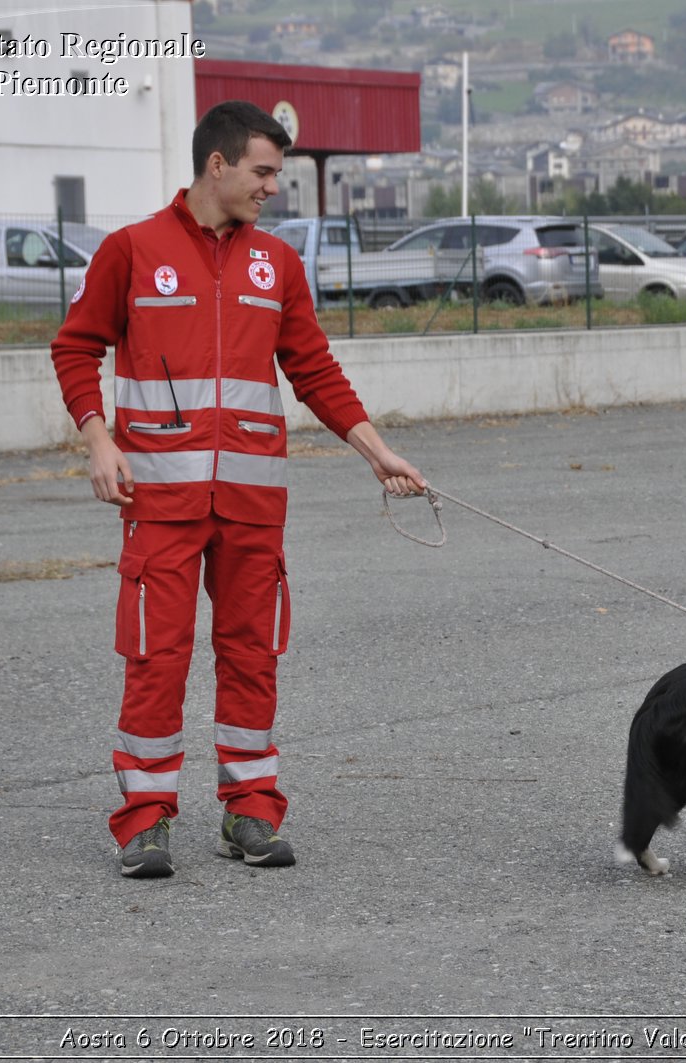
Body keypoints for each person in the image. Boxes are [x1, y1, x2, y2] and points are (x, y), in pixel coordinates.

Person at [50, 100, 425, 878]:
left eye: (276, 175)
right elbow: (75, 346)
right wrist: (98, 440)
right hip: (158, 503)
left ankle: (250, 810)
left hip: (253, 505)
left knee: (253, 653)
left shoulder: (277, 265)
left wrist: (376, 451)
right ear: (216, 165)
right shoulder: (131, 250)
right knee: (157, 655)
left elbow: (314, 369)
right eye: (263, 171)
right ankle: (144, 820)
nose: (272, 188)